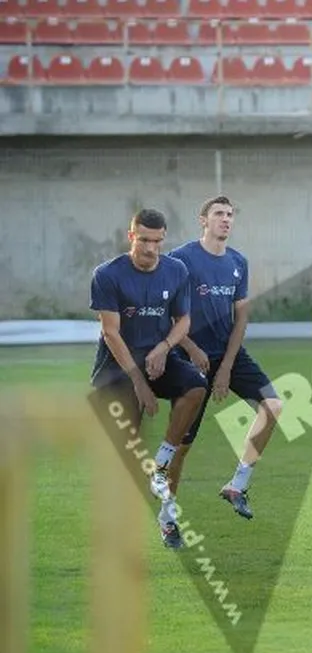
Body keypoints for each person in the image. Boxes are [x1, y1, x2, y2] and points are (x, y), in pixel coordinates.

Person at [90, 209, 209, 550]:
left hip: (160, 359)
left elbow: (183, 321)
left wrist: (164, 348)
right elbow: (111, 334)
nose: (151, 248)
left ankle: (163, 468)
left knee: (195, 386)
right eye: (144, 240)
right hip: (118, 368)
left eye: (157, 241)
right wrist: (139, 383)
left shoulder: (177, 271)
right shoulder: (108, 275)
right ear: (131, 237)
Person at [166, 196, 284, 521]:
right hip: (190, 359)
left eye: (230, 214)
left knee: (273, 406)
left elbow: (241, 317)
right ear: (203, 220)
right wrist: (191, 349)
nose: (226, 219)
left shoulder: (238, 262)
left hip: (227, 353)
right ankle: (167, 514)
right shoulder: (181, 259)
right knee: (181, 445)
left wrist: (227, 367)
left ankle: (237, 486)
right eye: (219, 214)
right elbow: (168, 314)